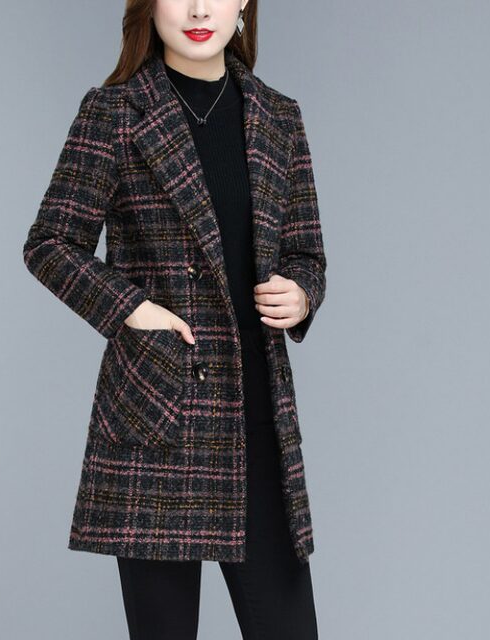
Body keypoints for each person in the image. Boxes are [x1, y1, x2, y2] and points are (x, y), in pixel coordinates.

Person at [23, 0, 327, 638]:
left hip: (256, 416)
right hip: (158, 411)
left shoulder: (279, 117)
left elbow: (305, 252)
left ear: (242, 5)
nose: (197, 9)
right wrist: (131, 308)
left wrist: (301, 293)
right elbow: (50, 242)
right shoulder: (114, 112)